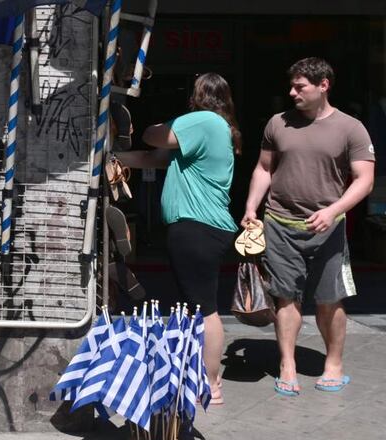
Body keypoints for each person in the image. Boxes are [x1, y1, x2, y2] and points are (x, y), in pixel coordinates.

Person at [242, 57, 375, 396]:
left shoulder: (351, 127)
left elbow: (365, 179)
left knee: (330, 299)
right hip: (279, 223)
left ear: (323, 85)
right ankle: (288, 364)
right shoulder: (277, 123)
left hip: (328, 228)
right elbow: (263, 169)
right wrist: (250, 206)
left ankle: (333, 364)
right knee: (285, 297)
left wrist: (334, 210)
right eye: (292, 86)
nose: (292, 93)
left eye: (300, 87)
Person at [118, 73, 241, 405]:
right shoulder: (212, 129)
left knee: (205, 308)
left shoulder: (202, 121)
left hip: (197, 227)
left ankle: (211, 385)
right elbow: (151, 158)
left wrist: (164, 122)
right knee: (196, 304)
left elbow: (151, 136)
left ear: (196, 96)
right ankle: (201, 375)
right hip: (200, 228)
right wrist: (110, 159)